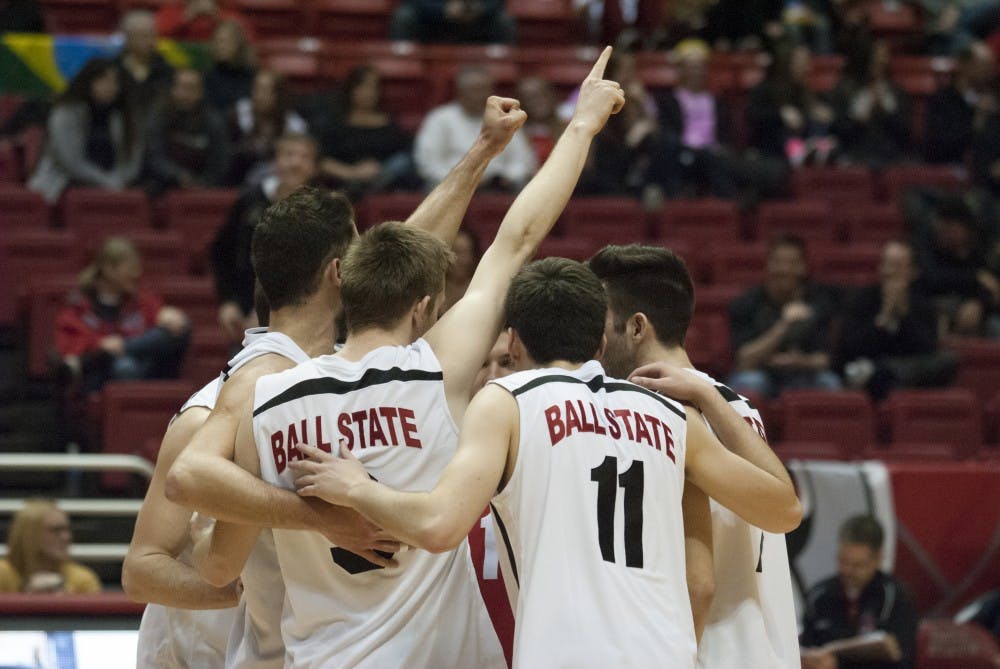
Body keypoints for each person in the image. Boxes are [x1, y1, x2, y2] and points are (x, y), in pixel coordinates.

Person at [183, 47, 625, 668]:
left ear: (345, 286)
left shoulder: (266, 399)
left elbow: (218, 560)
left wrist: (208, 538)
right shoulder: (432, 371)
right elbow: (515, 240)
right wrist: (581, 126)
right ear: (422, 309)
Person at [286, 255, 802, 668]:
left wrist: (356, 487)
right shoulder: (670, 415)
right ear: (599, 341)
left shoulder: (508, 398)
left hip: (564, 653)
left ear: (514, 340)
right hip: (666, 652)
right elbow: (783, 512)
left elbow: (439, 525)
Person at [588, 243, 802, 668]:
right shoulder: (740, 409)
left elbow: (698, 584)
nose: (594, 341)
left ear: (636, 327)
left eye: (600, 325)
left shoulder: (657, 414)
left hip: (709, 653)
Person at [211, 132, 319, 345]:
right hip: (246, 315)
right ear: (274, 161)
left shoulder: (324, 209)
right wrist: (227, 301)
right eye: (288, 155)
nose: (295, 163)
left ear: (315, 166)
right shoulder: (250, 200)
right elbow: (220, 251)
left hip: (305, 318)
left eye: (304, 157)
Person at [55, 237, 190, 393]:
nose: (137, 273)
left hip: (146, 368)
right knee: (124, 366)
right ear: (109, 269)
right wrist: (99, 344)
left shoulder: (141, 300)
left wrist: (168, 317)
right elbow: (69, 348)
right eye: (131, 267)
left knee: (182, 325)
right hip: (103, 377)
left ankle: (125, 347)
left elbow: (168, 329)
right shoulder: (79, 306)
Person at [836, 239, 958, 399]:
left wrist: (904, 315)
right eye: (887, 264)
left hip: (904, 370)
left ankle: (887, 372)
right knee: (885, 381)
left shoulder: (922, 304)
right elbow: (852, 347)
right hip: (868, 369)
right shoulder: (863, 298)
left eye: (897, 266)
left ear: (913, 272)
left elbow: (927, 349)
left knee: (948, 359)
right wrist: (884, 317)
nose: (890, 272)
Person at [728, 234, 842, 398]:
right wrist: (784, 325)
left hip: (805, 374)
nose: (784, 269)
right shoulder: (747, 303)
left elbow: (826, 360)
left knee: (830, 382)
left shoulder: (819, 302)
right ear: (768, 265)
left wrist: (800, 362)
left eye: (791, 263)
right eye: (778, 262)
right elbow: (745, 360)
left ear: (803, 267)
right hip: (762, 373)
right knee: (749, 382)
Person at [800, 515, 918, 669]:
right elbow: (806, 646)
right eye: (842, 561)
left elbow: (901, 658)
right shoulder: (819, 594)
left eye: (858, 565)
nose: (848, 570)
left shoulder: (895, 597)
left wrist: (839, 665)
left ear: (878, 559)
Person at [28, 57, 142, 203]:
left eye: (115, 82)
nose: (110, 87)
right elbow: (70, 161)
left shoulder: (122, 115)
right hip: (64, 183)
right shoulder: (66, 112)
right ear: (88, 82)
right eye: (103, 81)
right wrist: (105, 181)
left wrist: (120, 179)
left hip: (115, 183)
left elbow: (132, 155)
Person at [414, 64, 537, 191]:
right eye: (473, 89)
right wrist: (462, 179)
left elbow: (524, 160)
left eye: (482, 89)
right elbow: (428, 163)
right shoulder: (440, 118)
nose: (478, 95)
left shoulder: (506, 118)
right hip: (451, 189)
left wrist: (508, 176)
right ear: (460, 91)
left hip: (499, 189)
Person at [316, 64, 415, 199]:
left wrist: (378, 170)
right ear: (350, 89)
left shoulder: (390, 123)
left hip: (385, 182)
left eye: (373, 87)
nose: (368, 92)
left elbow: (403, 158)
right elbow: (322, 160)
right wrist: (352, 172)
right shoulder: (334, 123)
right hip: (345, 181)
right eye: (362, 86)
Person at [142, 67, 230, 197]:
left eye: (192, 88)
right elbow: (153, 157)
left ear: (200, 92)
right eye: (182, 87)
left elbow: (220, 162)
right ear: (173, 89)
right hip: (164, 188)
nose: (186, 94)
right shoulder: (158, 116)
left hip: (204, 192)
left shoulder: (213, 121)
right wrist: (179, 176)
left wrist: (203, 183)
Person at [747, 42, 836, 169]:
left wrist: (823, 114)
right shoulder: (766, 88)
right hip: (772, 146)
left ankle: (819, 151)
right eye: (801, 62)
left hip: (805, 141)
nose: (807, 67)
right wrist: (780, 114)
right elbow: (754, 116)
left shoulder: (807, 91)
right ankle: (804, 153)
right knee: (787, 130)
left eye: (807, 62)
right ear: (788, 63)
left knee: (817, 122)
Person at [831, 37, 912, 170]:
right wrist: (859, 119)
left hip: (891, 154)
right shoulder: (846, 90)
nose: (880, 64)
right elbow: (838, 129)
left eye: (883, 60)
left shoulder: (897, 91)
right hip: (856, 153)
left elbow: (905, 132)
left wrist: (886, 110)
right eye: (875, 61)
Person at [0, 499, 101, 594]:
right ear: (29, 535)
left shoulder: (82, 580)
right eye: (55, 530)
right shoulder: (2, 574)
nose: (67, 537)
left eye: (67, 529)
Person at [228, 69, 307, 187]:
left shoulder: (294, 126)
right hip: (236, 181)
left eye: (266, 91)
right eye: (257, 89)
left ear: (279, 95)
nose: (260, 96)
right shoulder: (238, 114)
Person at [925, 41, 997, 164]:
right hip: (950, 164)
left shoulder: (993, 98)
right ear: (965, 64)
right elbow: (939, 144)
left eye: (991, 66)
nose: (990, 72)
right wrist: (976, 123)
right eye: (984, 65)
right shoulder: (943, 99)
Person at [114, 10, 174, 125]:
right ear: (127, 37)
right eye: (143, 35)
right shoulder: (113, 68)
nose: (150, 40)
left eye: (152, 35)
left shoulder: (165, 68)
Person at [389, 0, 516, 43]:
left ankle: (502, 62)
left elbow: (497, 2)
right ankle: (403, 61)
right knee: (405, 15)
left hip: (476, 21)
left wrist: (480, 8)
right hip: (431, 21)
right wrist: (443, 9)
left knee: (503, 20)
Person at [202, 20, 256, 115]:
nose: (220, 46)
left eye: (225, 41)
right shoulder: (206, 77)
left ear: (239, 44)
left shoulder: (252, 76)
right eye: (217, 41)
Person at [156, 0, 254, 43]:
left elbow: (246, 43)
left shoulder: (229, 12)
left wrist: (216, 17)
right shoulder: (172, 10)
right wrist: (186, 18)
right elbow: (155, 38)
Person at [444, 228, 481, 312]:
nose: (463, 260)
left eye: (467, 252)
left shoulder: (481, 288)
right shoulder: (433, 291)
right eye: (457, 252)